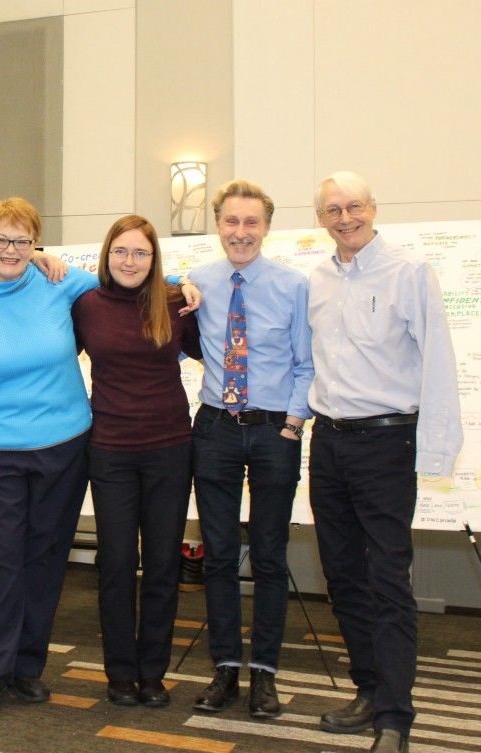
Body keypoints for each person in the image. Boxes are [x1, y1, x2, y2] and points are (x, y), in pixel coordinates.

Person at [308, 172, 462, 753]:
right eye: (332, 209)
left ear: (373, 209)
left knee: (387, 580)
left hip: (387, 444)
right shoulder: (317, 280)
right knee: (342, 576)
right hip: (330, 443)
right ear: (320, 217)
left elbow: (438, 362)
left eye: (353, 207)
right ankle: (369, 690)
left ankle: (396, 717)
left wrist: (436, 450)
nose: (344, 218)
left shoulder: (410, 272)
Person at [0, 196, 100, 717]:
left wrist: (183, 288)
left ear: (36, 242)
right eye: (0, 239)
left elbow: (130, 283)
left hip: (63, 444)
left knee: (46, 559)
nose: (9, 249)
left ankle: (26, 669)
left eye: (21, 240)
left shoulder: (61, 281)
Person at [187, 180, 312, 719]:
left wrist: (293, 423)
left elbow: (307, 363)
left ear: (266, 226)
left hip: (272, 432)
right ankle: (224, 670)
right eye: (231, 222)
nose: (241, 233)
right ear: (218, 224)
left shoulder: (293, 285)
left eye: (251, 223)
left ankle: (264, 673)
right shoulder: (197, 282)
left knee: (267, 555)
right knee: (217, 556)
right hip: (215, 426)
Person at [72, 214, 202, 708]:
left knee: (165, 564)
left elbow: (211, 351)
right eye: (121, 251)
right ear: (107, 255)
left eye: (141, 253)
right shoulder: (86, 305)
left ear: (154, 260)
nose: (130, 261)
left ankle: (154, 673)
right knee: (118, 564)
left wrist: (185, 284)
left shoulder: (174, 303)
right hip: (110, 451)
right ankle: (120, 674)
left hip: (170, 447)